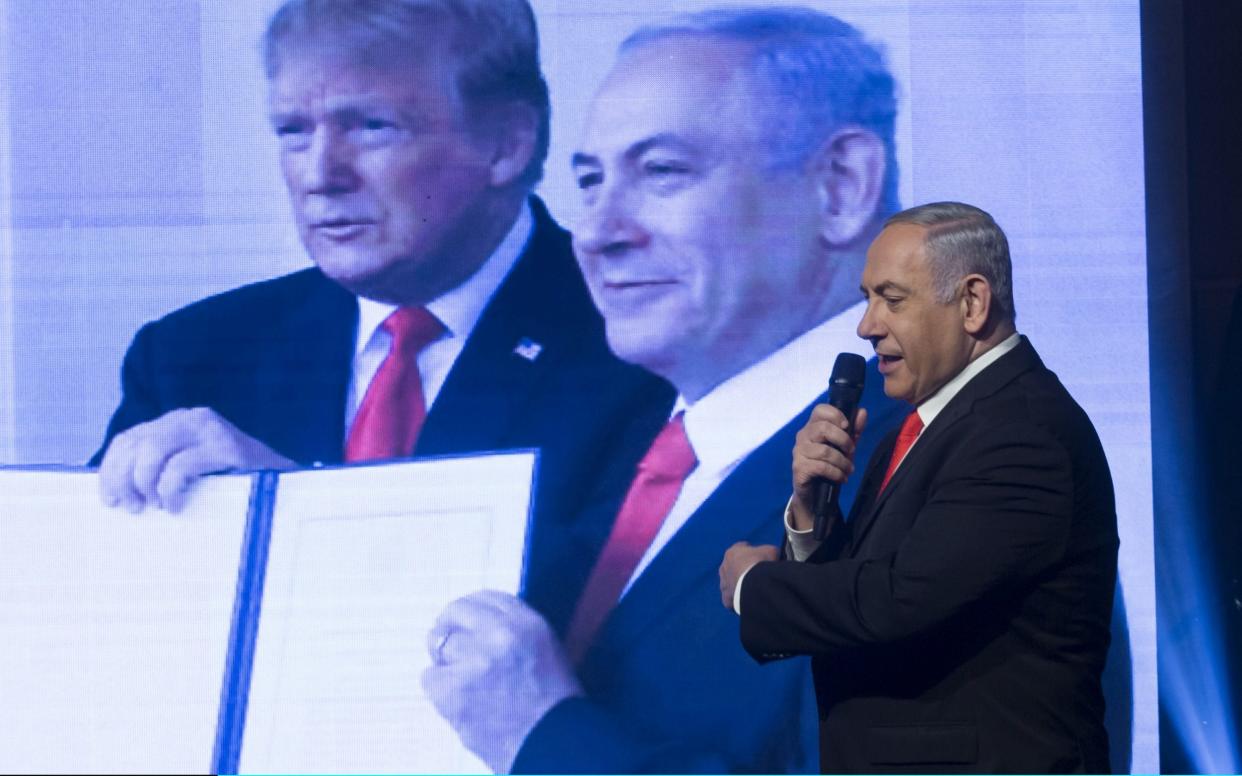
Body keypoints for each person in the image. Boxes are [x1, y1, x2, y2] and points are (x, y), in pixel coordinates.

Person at [421, 8, 907, 773]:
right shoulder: (628, 453)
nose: (597, 231)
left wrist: (542, 738)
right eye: (590, 181)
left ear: (841, 186)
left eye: (661, 172)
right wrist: (267, 496)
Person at [91, 0, 668, 531]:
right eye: (294, 132)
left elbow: (586, 623)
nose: (320, 175)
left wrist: (289, 507)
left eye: (371, 126)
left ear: (506, 144)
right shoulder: (190, 361)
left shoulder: (643, 348)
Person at [720, 202, 1119, 773]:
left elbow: (895, 600)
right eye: (866, 298)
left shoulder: (1021, 434)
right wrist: (810, 514)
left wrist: (751, 586)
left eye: (892, 299)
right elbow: (866, 587)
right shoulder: (919, 428)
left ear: (972, 303)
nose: (866, 325)